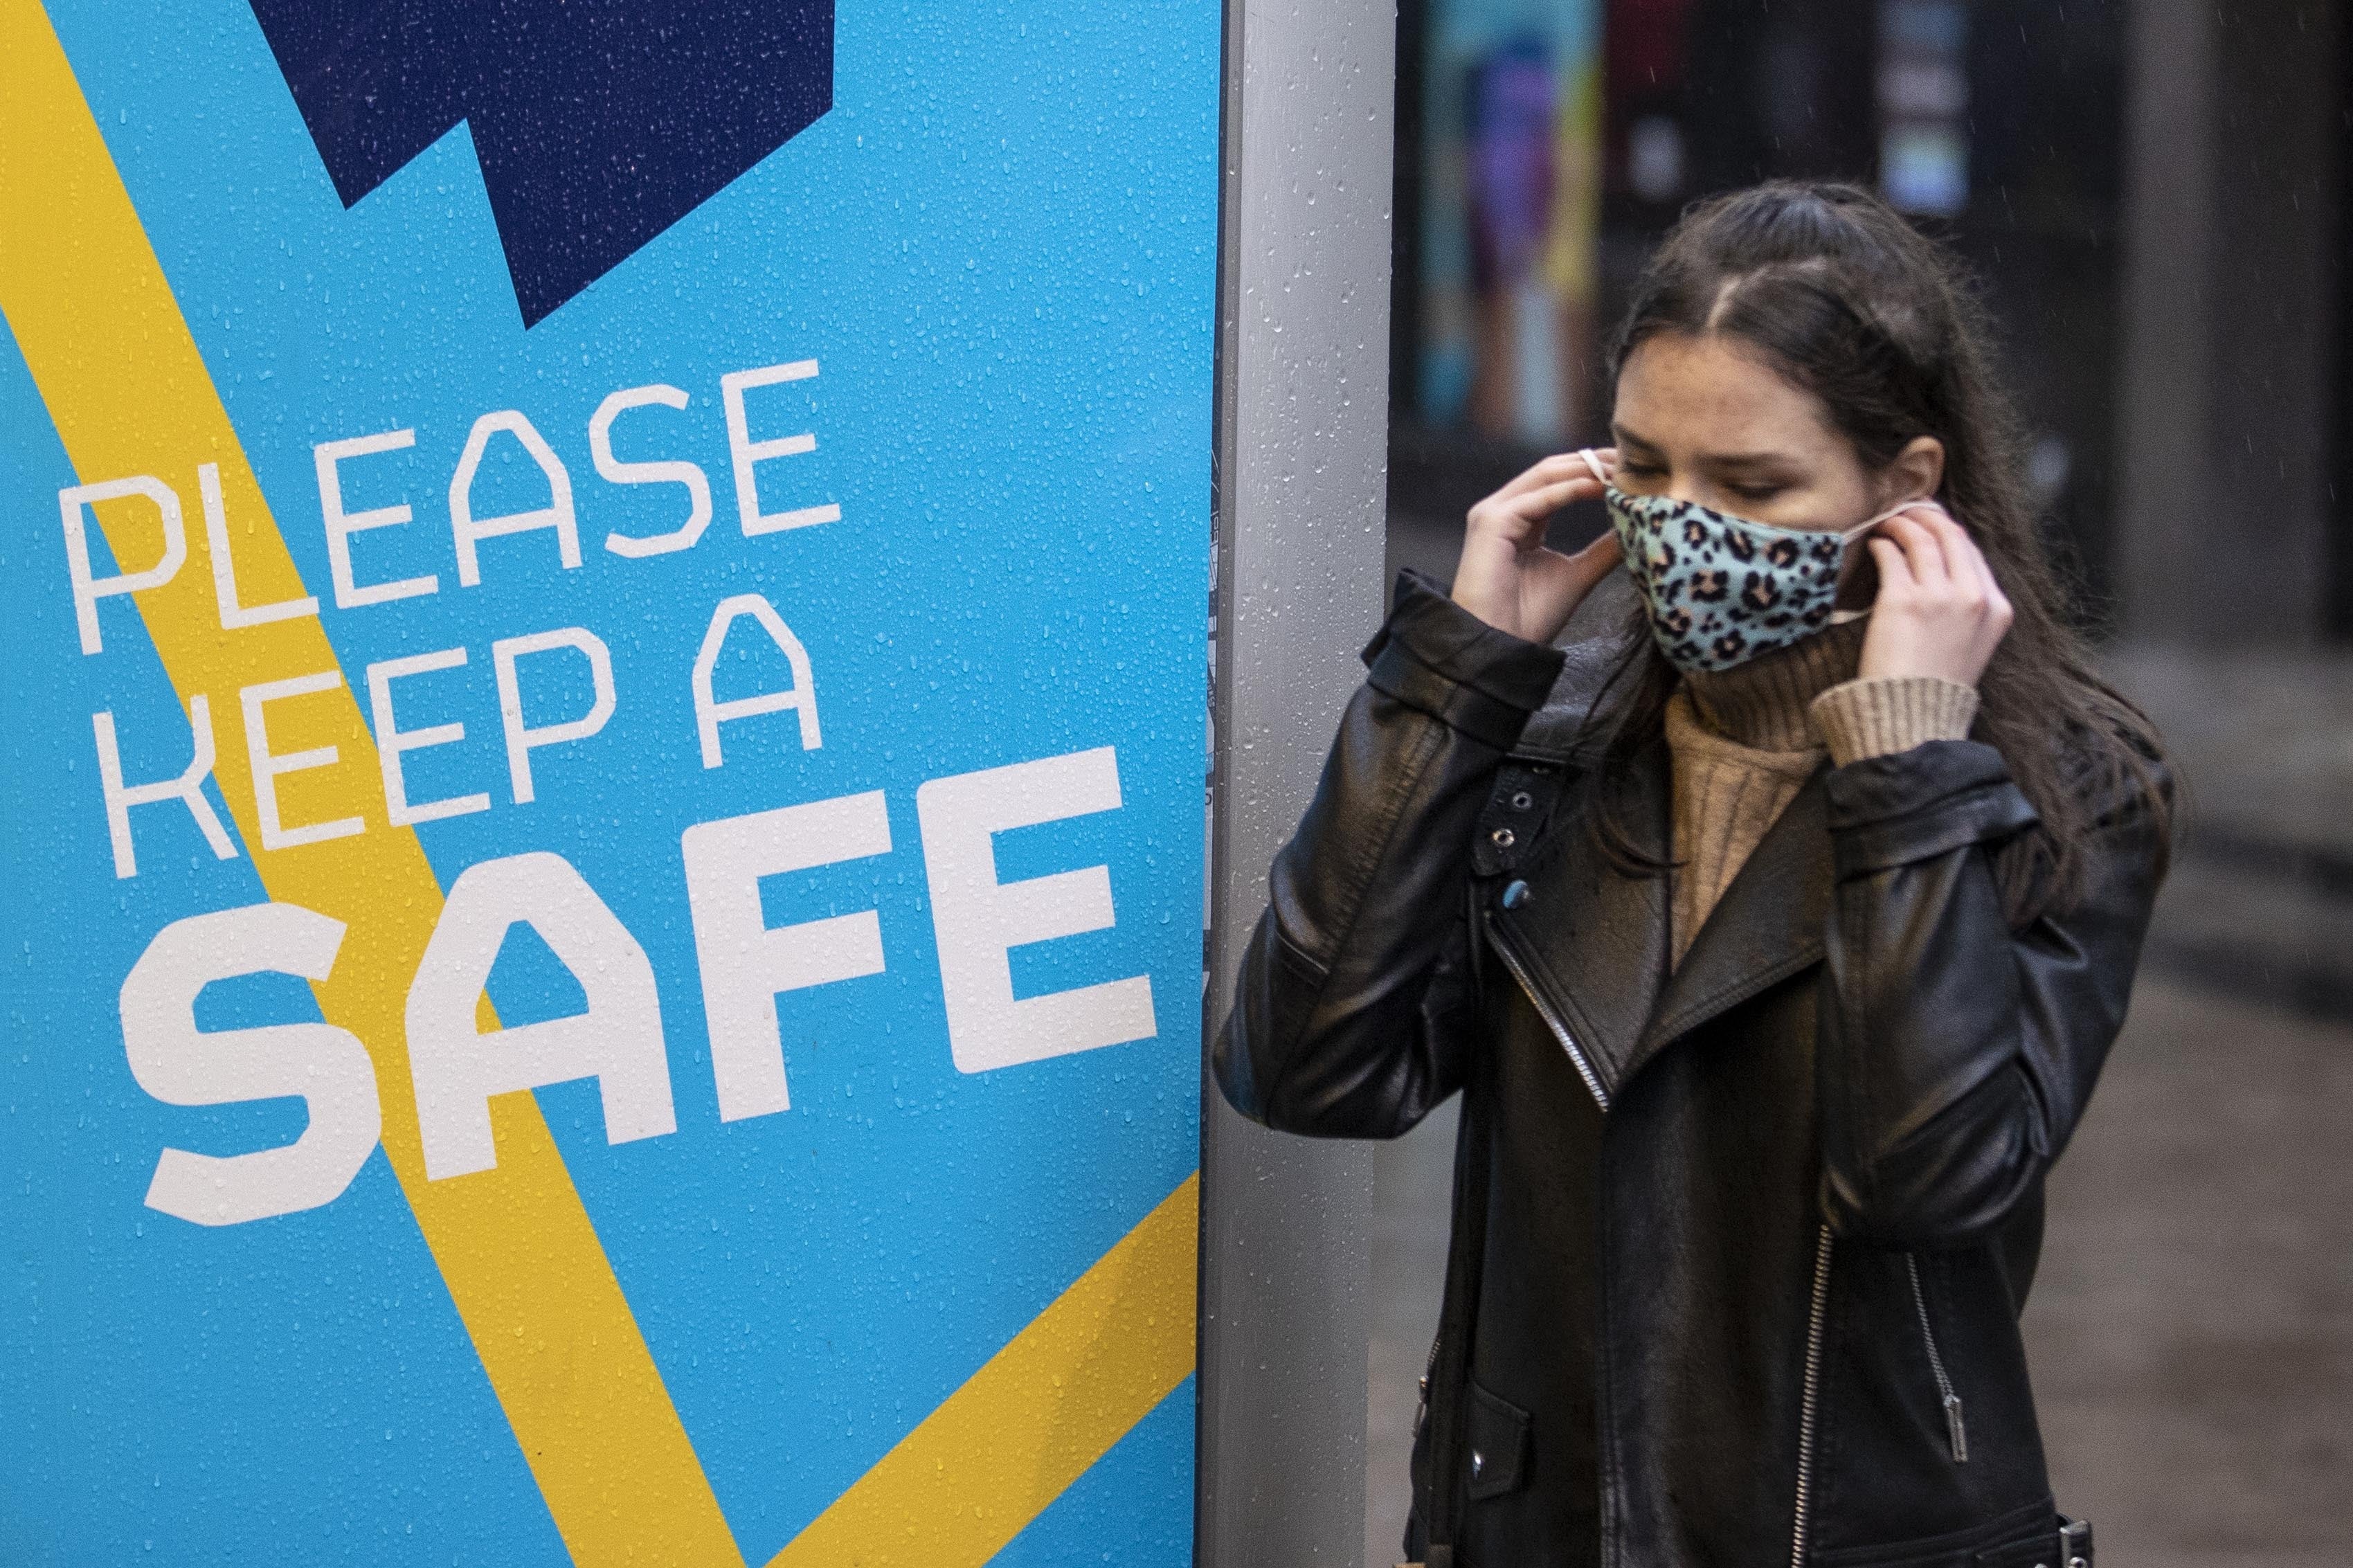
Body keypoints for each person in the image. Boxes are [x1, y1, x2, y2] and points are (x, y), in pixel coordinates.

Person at [1213, 181, 2172, 1567]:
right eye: (1643, 467)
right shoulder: (1552, 740)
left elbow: (1925, 1175)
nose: (1682, 525)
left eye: (1752, 485)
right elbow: (1302, 1067)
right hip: (1539, 1526)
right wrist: (1453, 690)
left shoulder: (2059, 783)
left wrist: (1904, 763)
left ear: (1903, 486)